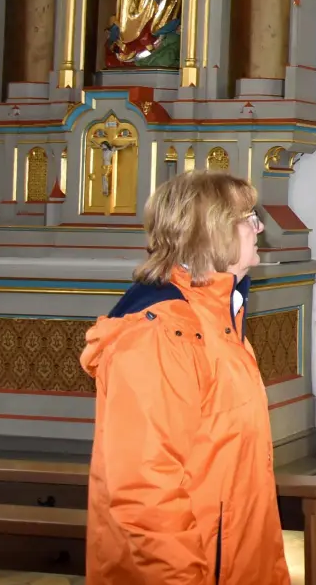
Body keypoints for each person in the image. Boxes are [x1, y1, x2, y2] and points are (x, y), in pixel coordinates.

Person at [80, 171, 289, 584]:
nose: (259, 226)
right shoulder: (157, 336)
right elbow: (145, 492)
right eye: (247, 217)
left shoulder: (217, 319)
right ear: (210, 232)